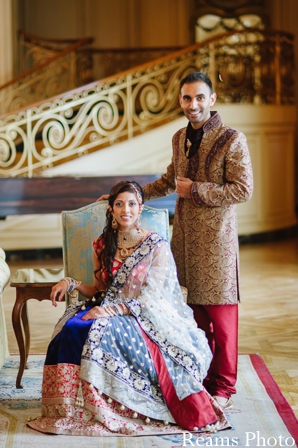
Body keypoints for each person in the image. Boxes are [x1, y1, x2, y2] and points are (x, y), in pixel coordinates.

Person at [28, 181, 229, 437]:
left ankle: (113, 405)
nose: (126, 210)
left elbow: (153, 297)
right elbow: (100, 288)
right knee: (70, 327)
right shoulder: (101, 245)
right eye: (120, 204)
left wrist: (111, 311)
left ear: (140, 209)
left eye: (132, 204)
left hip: (141, 316)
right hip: (107, 304)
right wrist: (70, 283)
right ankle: (69, 409)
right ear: (111, 209)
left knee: (97, 329)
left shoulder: (156, 246)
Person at [141, 72, 254, 410]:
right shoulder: (179, 138)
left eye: (200, 98)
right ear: (180, 100)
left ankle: (224, 387)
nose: (194, 105)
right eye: (187, 98)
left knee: (222, 321)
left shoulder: (232, 139)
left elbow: (243, 189)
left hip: (216, 245)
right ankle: (201, 379)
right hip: (184, 243)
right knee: (193, 319)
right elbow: (168, 181)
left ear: (212, 99)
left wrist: (197, 190)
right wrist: (129, 195)